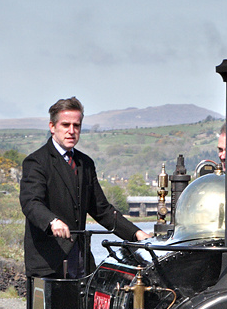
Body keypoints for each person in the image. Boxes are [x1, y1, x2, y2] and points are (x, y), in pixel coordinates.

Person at [20, 96, 150, 279]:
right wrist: (52, 221)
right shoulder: (36, 162)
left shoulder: (85, 163)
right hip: (48, 261)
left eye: (76, 125)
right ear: (52, 127)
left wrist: (136, 234)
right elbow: (31, 202)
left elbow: (101, 209)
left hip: (81, 259)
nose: (71, 131)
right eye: (66, 125)